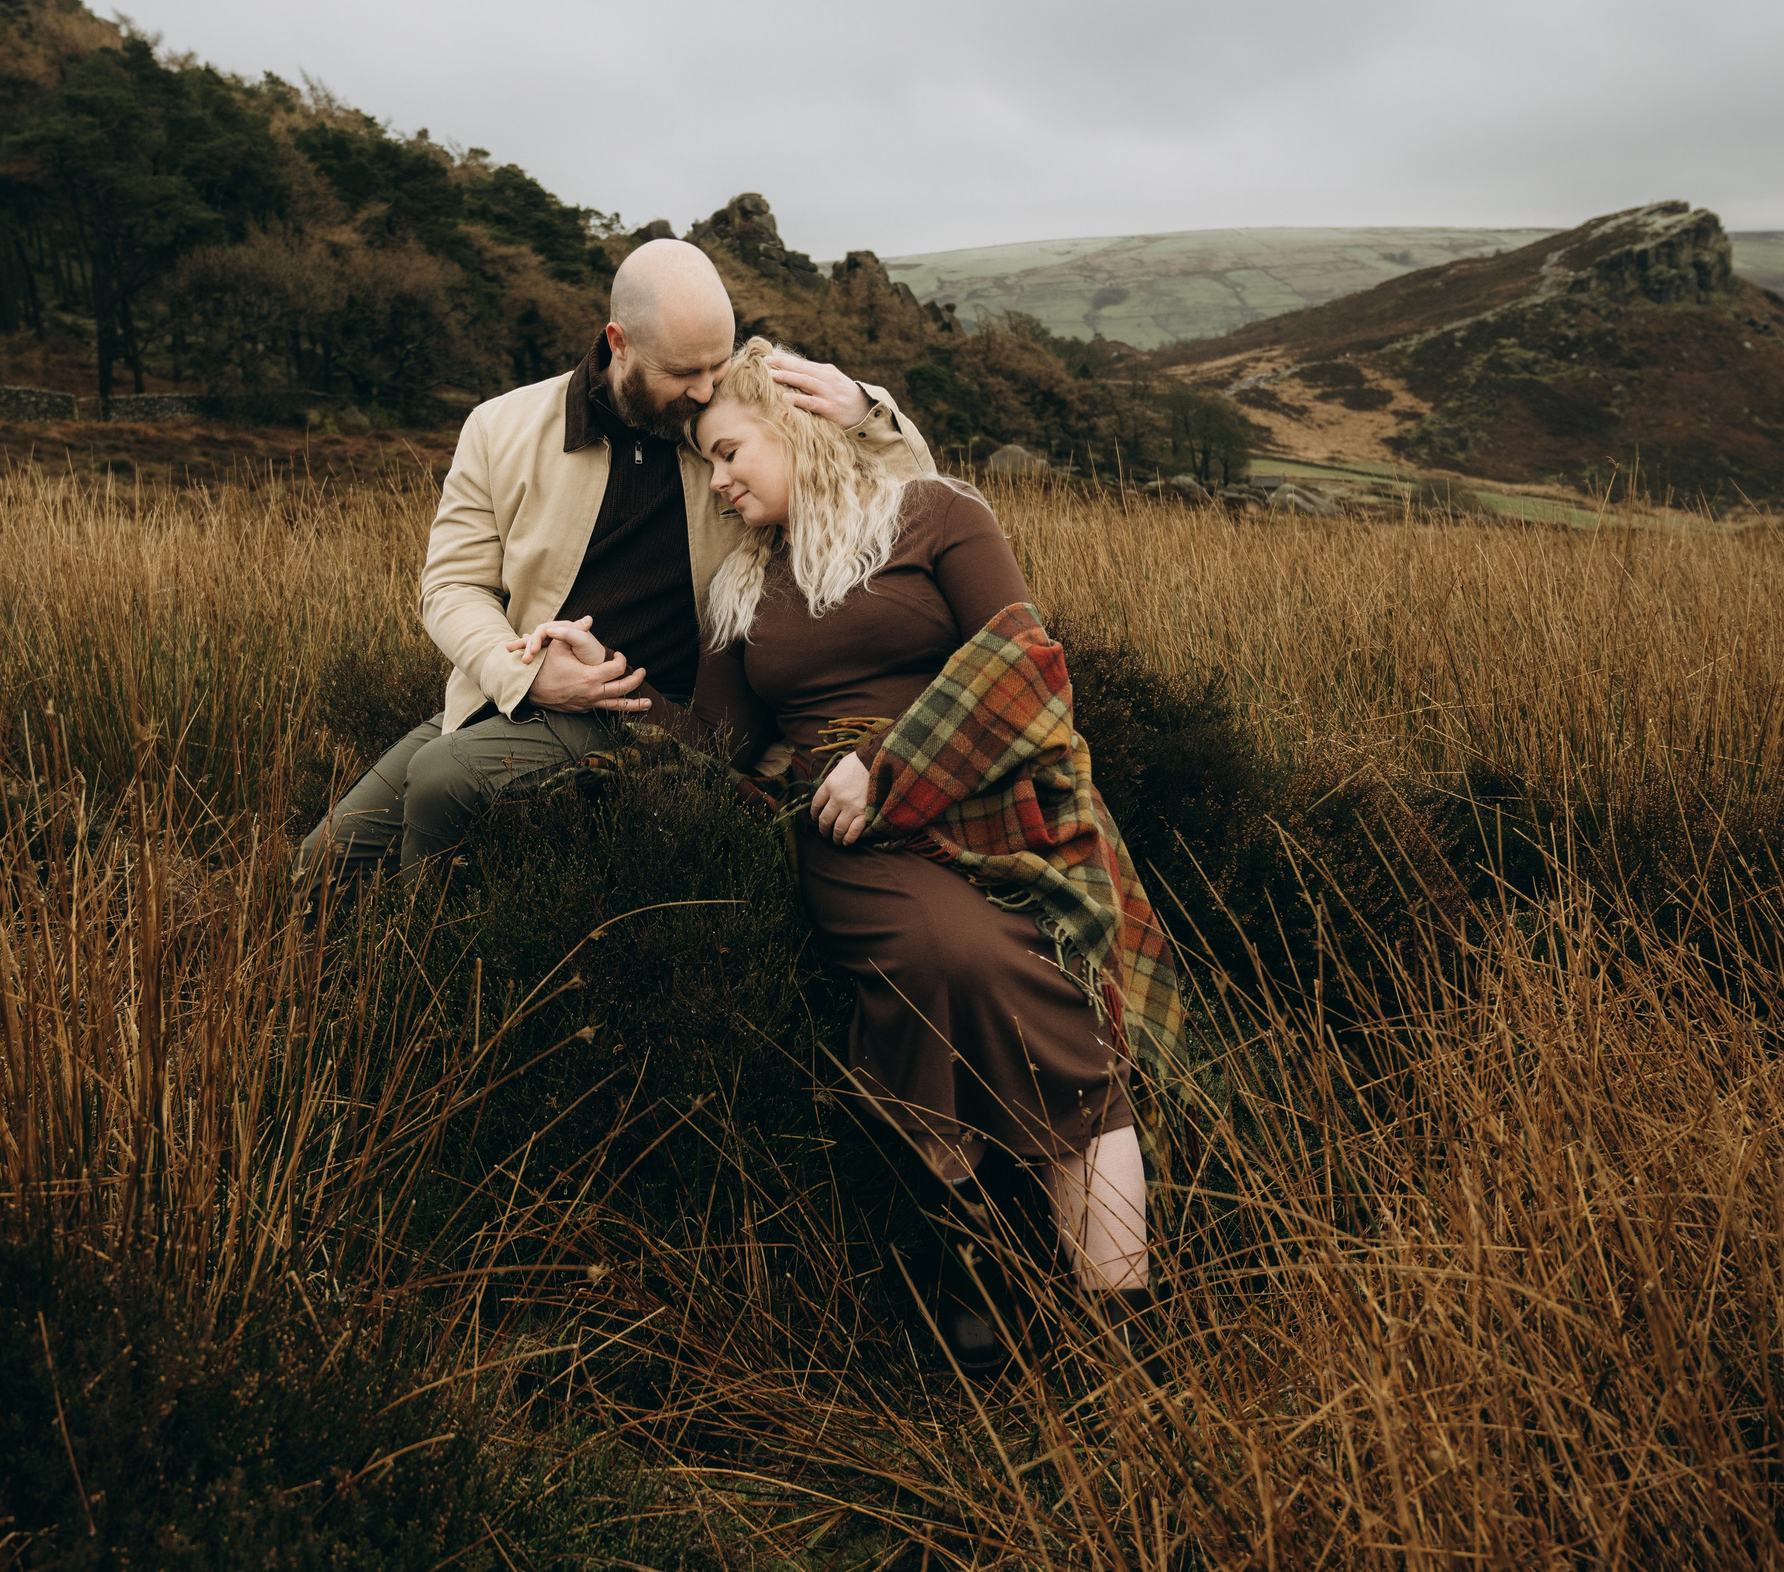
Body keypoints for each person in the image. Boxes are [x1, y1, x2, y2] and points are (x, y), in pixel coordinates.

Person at [521, 338, 1181, 1375]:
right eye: (707, 463)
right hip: (848, 841)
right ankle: (974, 1288)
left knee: (1038, 985)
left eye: (731, 450)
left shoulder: (939, 514)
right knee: (943, 960)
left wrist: (891, 762)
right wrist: (619, 687)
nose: (721, 479)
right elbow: (724, 746)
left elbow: (1024, 651)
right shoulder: (742, 591)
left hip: (995, 800)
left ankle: (1120, 1342)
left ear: (792, 429)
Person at [298, 239, 928, 877]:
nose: (707, 391)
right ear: (618, 341)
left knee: (441, 781)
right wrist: (522, 676)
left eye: (718, 363)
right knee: (322, 864)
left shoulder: (741, 416)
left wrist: (866, 415)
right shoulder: (498, 427)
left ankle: (428, 962)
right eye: (684, 372)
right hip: (514, 697)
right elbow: (452, 587)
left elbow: (906, 504)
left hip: (662, 711)